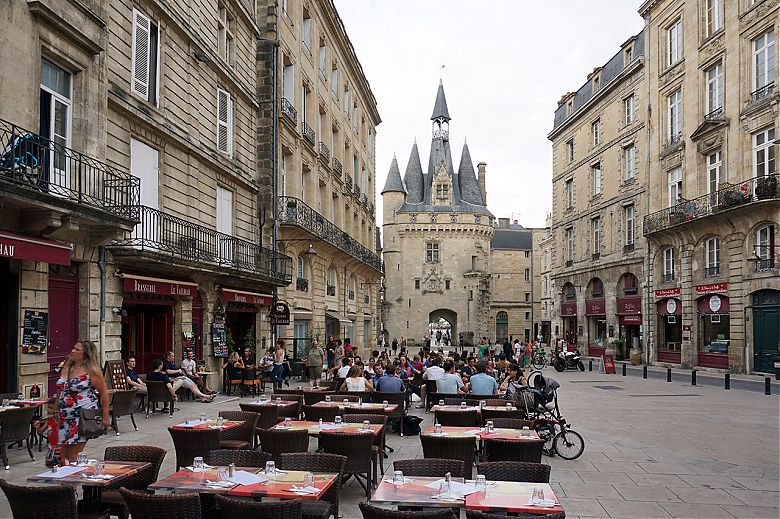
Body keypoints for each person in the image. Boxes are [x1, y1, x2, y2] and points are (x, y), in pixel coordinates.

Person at [56, 340, 110, 463]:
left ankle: (72, 481)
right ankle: (66, 481)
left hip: (81, 416)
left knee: (73, 454)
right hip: (64, 415)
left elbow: (104, 393)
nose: (73, 351)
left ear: (86, 354)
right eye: (73, 348)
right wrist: (55, 410)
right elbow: (61, 390)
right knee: (63, 454)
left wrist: (105, 417)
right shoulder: (67, 366)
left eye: (77, 349)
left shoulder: (92, 371)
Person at [33, 397, 60, 467]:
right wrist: (37, 427)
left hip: (61, 448)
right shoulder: (50, 420)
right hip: (52, 448)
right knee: (50, 465)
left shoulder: (62, 420)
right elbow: (41, 431)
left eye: (51, 408)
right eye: (48, 408)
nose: (48, 410)